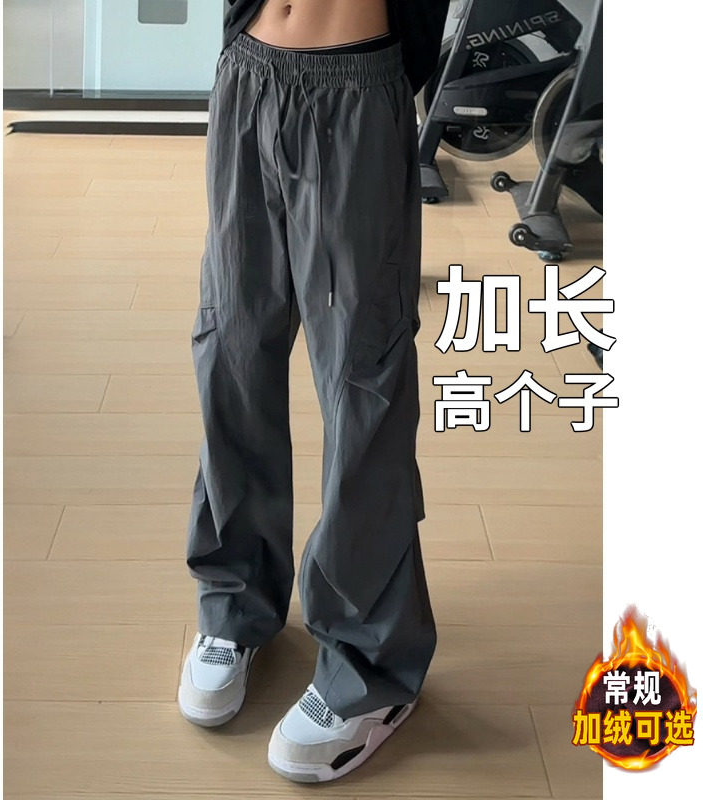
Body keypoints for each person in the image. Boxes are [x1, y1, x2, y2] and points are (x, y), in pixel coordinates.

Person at [178, 0, 450, 783]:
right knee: (232, 347)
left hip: (356, 82)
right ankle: (236, 600)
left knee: (362, 378)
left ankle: (372, 664)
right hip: (250, 73)